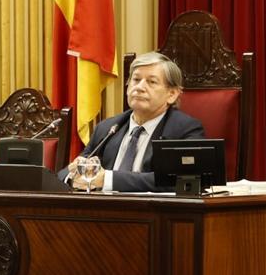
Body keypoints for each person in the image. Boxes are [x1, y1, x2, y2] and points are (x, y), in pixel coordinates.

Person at [59, 52, 205, 191]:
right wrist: (74, 176)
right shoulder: (107, 128)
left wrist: (108, 179)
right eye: (135, 80)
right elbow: (65, 173)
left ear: (172, 94)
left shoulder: (184, 130)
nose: (139, 87)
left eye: (151, 82)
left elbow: (182, 179)